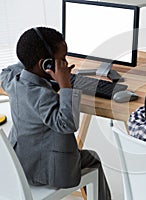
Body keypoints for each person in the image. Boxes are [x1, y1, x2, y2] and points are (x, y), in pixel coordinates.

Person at [0, 27, 111, 200]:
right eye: (62, 59)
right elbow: (67, 124)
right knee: (93, 159)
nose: (65, 63)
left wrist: (31, 62)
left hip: (19, 163)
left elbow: (5, 71)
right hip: (46, 170)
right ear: (45, 64)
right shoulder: (41, 95)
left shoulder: (12, 80)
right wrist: (65, 85)